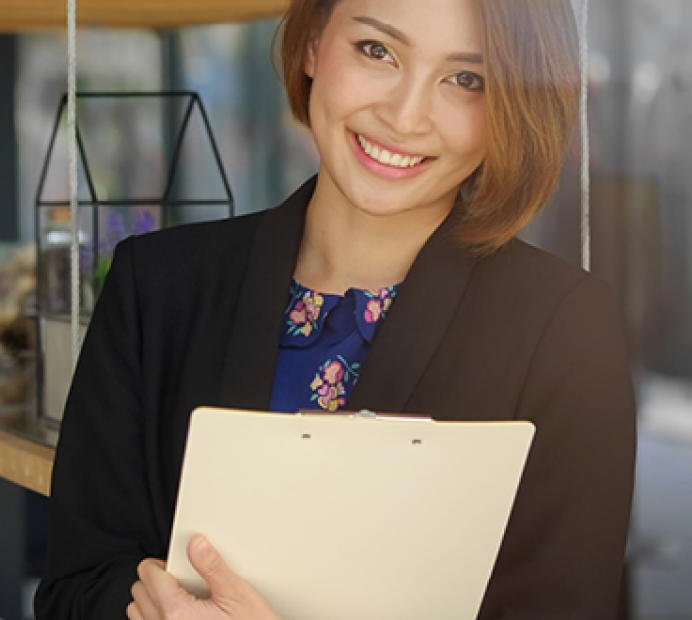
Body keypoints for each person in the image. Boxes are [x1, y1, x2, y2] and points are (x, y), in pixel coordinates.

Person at [34, 0, 636, 618]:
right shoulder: (155, 286)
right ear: (313, 44)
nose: (404, 117)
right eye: (377, 51)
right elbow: (74, 589)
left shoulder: (565, 327)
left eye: (466, 80)